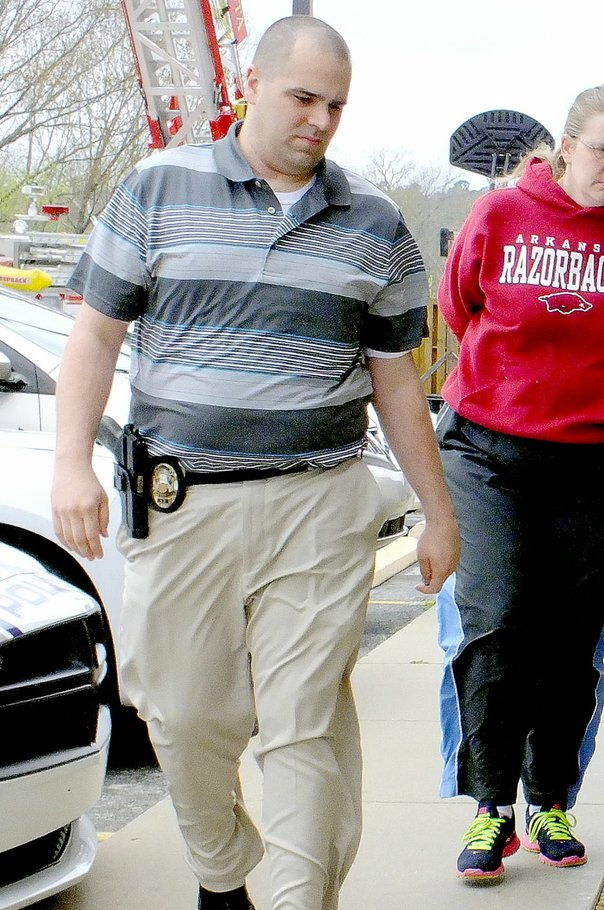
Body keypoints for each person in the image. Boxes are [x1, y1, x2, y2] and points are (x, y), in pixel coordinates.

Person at [51, 16, 459, 910]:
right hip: (182, 502)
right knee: (183, 714)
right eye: (303, 97)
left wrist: (439, 510)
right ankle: (222, 874)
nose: (320, 120)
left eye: (337, 105)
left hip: (319, 504)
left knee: (303, 729)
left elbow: (397, 384)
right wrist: (71, 465)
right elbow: (94, 336)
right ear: (253, 85)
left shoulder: (376, 225)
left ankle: (296, 903)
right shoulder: (158, 188)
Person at [434, 82, 604, 883]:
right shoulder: (502, 216)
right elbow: (460, 304)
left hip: (603, 465)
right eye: (602, 149)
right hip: (489, 455)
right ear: (566, 147)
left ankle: (551, 799)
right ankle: (489, 808)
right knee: (498, 620)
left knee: (575, 641)